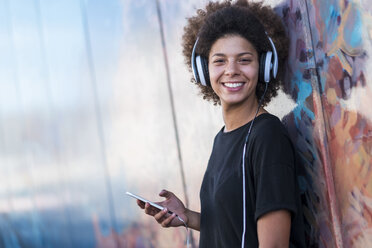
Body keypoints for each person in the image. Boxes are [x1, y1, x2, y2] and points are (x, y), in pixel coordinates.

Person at [137, 0, 306, 247]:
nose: (231, 70)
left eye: (244, 60)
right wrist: (187, 217)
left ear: (264, 67)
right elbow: (234, 224)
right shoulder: (223, 137)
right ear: (203, 70)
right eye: (219, 61)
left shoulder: (267, 137)